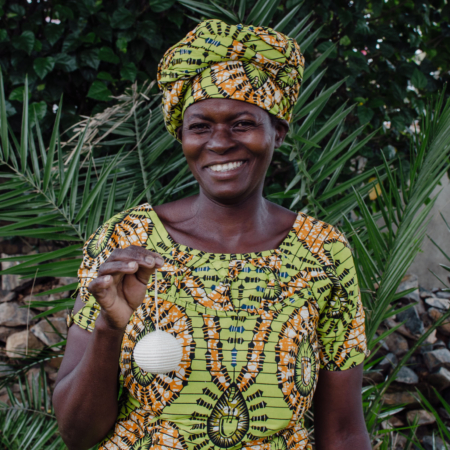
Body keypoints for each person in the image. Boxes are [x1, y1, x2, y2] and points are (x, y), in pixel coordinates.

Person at [53, 19, 370, 450]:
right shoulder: (128, 241)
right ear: (182, 136)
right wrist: (111, 330)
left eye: (241, 123)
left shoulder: (323, 252)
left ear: (276, 130)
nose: (219, 142)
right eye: (200, 126)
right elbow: (76, 434)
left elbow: (345, 431)